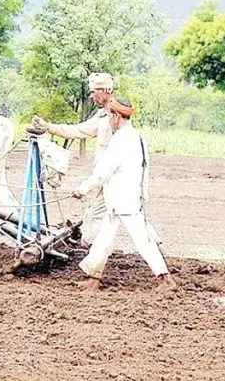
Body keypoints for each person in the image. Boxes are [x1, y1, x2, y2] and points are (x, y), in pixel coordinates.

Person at [70, 98, 176, 293]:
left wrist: (82, 189)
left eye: (110, 115)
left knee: (143, 241)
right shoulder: (138, 136)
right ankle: (93, 278)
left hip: (124, 201)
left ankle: (166, 279)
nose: (109, 119)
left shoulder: (120, 140)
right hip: (125, 199)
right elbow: (145, 167)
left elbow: (103, 172)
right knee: (104, 239)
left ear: (116, 115)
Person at [33, 72, 116, 248]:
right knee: (128, 216)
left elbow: (115, 156)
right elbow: (78, 130)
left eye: (94, 92)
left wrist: (84, 188)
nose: (92, 96)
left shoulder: (116, 117)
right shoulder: (101, 116)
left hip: (114, 177)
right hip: (106, 179)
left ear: (104, 91)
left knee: (96, 216)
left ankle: (91, 255)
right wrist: (49, 127)